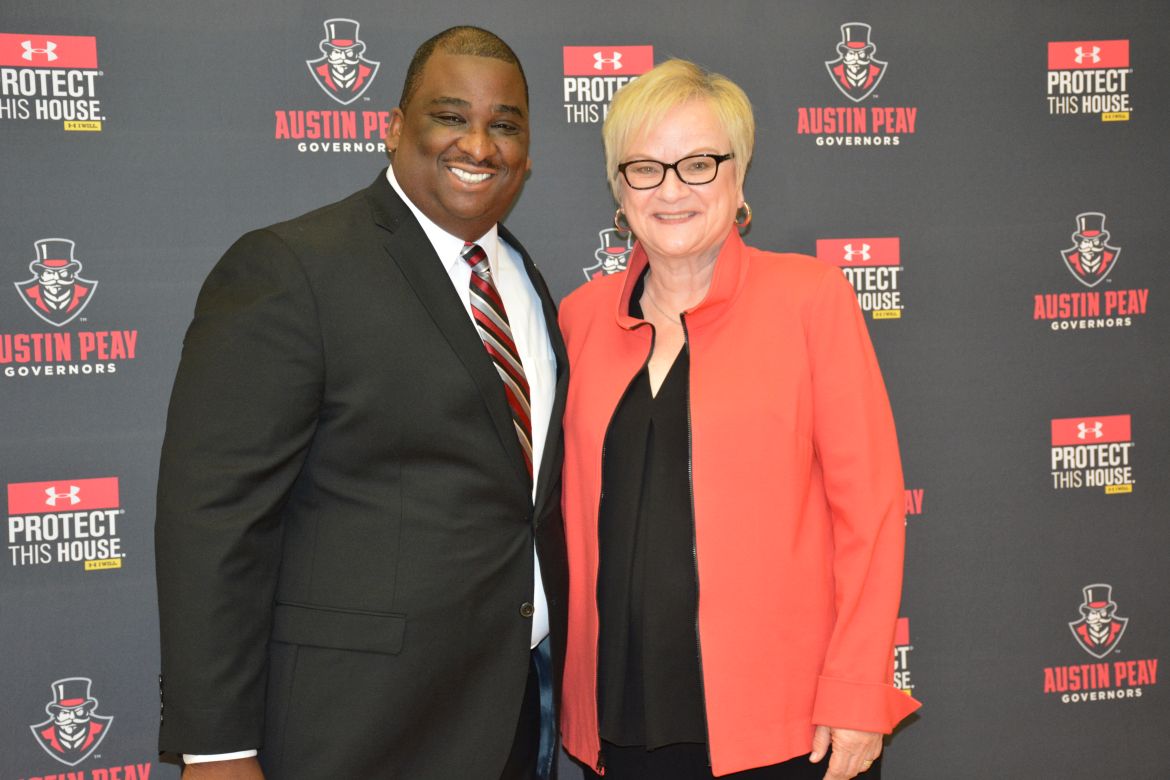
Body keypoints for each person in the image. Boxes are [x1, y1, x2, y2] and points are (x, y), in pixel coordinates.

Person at [155, 26, 567, 780]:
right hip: (353, 730)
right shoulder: (292, 268)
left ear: (528, 151)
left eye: (504, 125)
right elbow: (215, 520)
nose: (479, 145)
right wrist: (216, 748)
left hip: (508, 716)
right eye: (450, 116)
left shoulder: (523, 279)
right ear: (394, 127)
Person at [557, 59, 921, 779]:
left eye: (698, 164)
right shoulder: (579, 318)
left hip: (789, 728)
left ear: (739, 175)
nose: (671, 190)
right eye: (645, 168)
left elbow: (871, 512)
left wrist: (856, 692)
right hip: (622, 720)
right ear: (619, 190)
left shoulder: (810, 299)